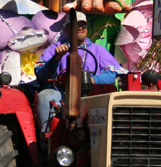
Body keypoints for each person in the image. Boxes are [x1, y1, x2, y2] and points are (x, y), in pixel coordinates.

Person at [33, 13, 117, 149]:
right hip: (60, 95)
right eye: (76, 25)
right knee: (45, 95)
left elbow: (112, 74)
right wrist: (56, 58)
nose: (80, 28)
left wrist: (92, 80)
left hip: (90, 96)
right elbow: (40, 74)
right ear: (67, 29)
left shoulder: (98, 50)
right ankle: (46, 145)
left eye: (83, 25)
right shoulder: (55, 48)